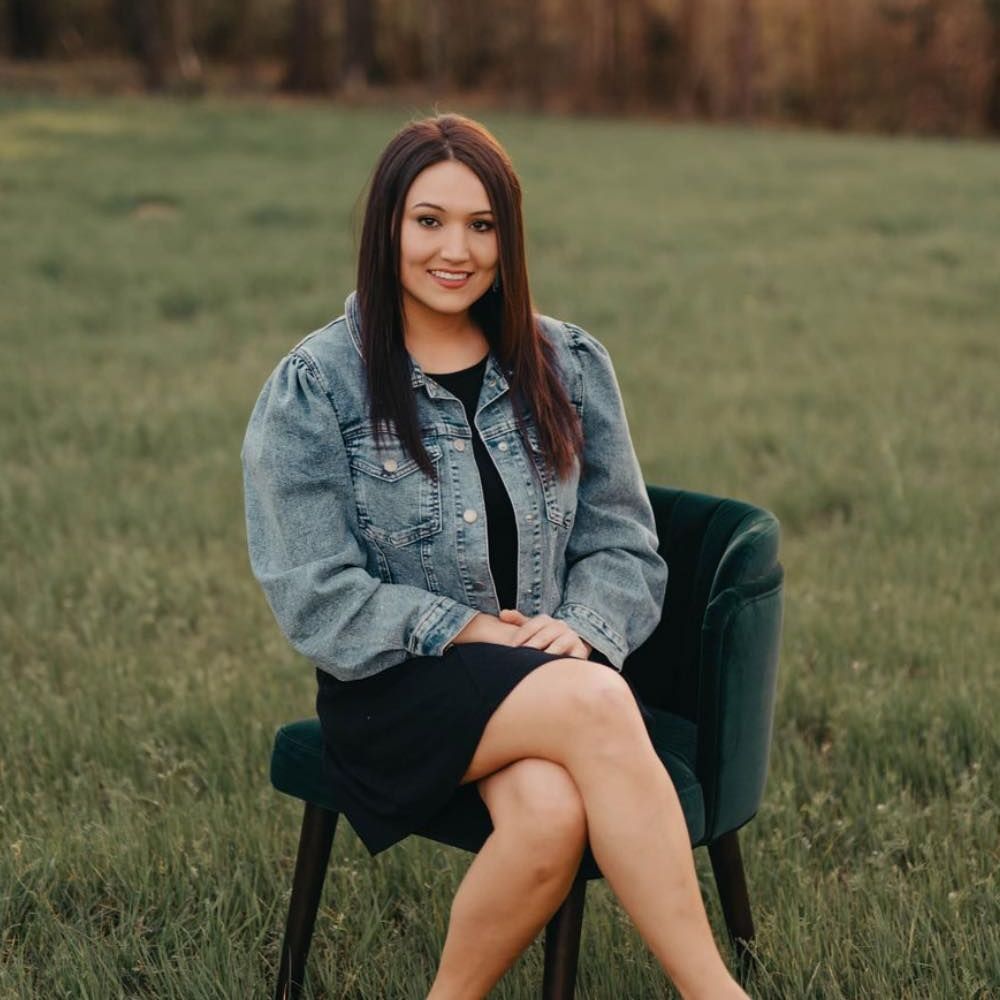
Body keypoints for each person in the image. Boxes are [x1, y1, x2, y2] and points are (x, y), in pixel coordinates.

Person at [242, 113, 748, 1000]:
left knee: (550, 814)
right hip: (392, 686)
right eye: (429, 220)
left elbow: (624, 541)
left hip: (543, 672)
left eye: (482, 226)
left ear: (507, 238)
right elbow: (315, 596)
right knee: (595, 704)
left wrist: (582, 629)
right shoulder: (317, 386)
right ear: (387, 227)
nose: (457, 249)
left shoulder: (568, 362)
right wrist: (472, 628)